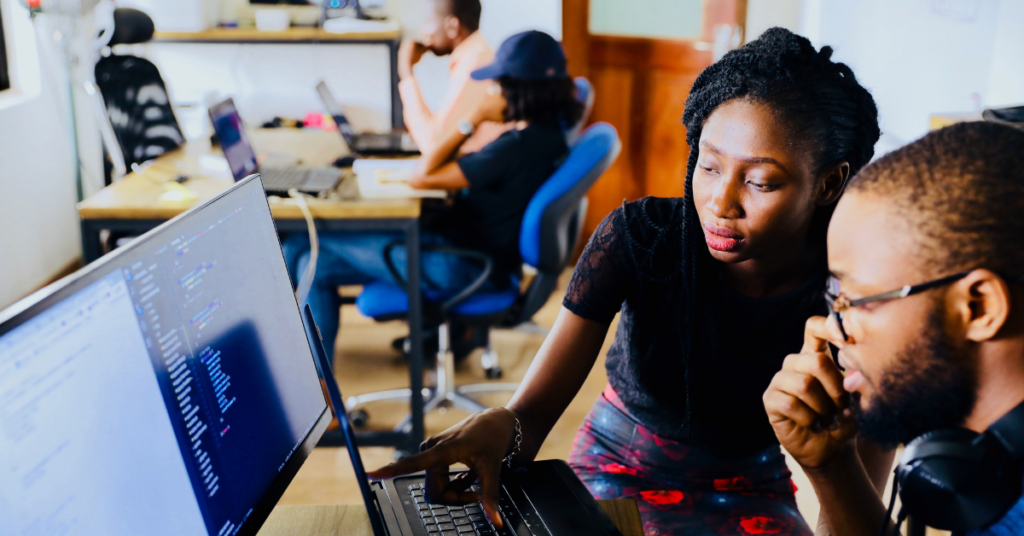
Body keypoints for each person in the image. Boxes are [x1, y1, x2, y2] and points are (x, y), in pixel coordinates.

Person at [369, 28, 886, 536]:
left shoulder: (860, 298)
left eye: (759, 181)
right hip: (617, 463)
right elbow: (528, 418)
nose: (720, 204)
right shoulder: (642, 240)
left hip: (751, 483)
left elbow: (855, 521)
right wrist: (504, 426)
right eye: (707, 166)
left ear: (829, 182)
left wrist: (828, 464)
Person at [764, 122, 1024, 536]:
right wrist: (832, 466)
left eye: (857, 300)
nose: (831, 328)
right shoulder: (980, 461)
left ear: (978, 307)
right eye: (834, 297)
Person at [284, 30, 583, 361]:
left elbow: (422, 174)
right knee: (314, 264)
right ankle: (322, 388)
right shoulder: (550, 137)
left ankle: (304, 378)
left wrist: (473, 118)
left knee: (302, 244)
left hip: (461, 265)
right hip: (477, 257)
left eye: (497, 83)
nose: (490, 90)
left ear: (518, 89)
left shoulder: (515, 149)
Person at [398, 0, 509, 154]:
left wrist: (406, 72)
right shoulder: (475, 56)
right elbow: (439, 131)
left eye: (429, 22)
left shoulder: (475, 65)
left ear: (452, 26)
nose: (423, 31)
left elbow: (434, 145)